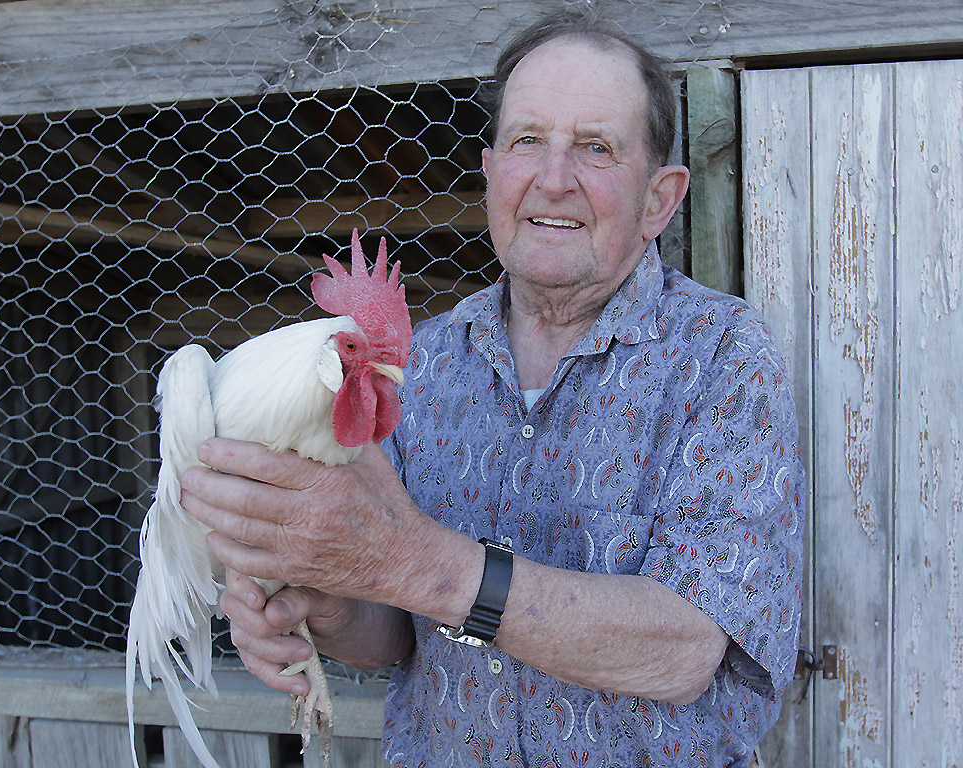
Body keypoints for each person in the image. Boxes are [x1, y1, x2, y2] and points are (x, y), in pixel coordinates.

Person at [179, 10, 805, 767]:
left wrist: (416, 561)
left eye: (597, 148)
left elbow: (684, 652)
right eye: (527, 140)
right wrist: (327, 598)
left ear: (659, 200)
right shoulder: (421, 358)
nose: (553, 177)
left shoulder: (722, 357)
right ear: (490, 171)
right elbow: (389, 636)